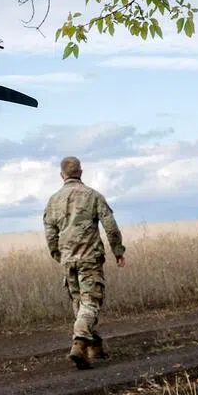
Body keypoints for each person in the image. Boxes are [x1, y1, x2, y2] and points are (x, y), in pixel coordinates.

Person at [43, 156, 126, 368]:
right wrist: (118, 251)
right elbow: (111, 226)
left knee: (80, 304)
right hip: (90, 259)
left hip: (68, 260)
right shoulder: (93, 196)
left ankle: (94, 346)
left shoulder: (53, 201)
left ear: (62, 175)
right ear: (81, 172)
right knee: (91, 302)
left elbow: (50, 235)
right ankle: (79, 343)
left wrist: (59, 256)